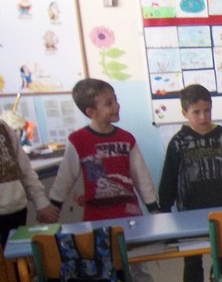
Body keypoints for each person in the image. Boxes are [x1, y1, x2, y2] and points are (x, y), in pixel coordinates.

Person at [158, 84, 222, 282]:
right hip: (190, 211)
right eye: (196, 112)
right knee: (192, 260)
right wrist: (164, 208)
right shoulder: (178, 142)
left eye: (207, 110)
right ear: (184, 113)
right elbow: (169, 177)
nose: (203, 117)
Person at [49, 78, 159, 221]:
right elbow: (65, 177)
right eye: (109, 103)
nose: (116, 106)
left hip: (129, 213)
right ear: (91, 112)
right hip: (96, 216)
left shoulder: (126, 138)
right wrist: (54, 206)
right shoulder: (78, 140)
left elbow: (141, 175)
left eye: (116, 100)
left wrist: (153, 207)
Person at [0, 120, 59, 246]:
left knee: (18, 255)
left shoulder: (3, 127)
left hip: (16, 210)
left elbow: (24, 168)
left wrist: (41, 202)